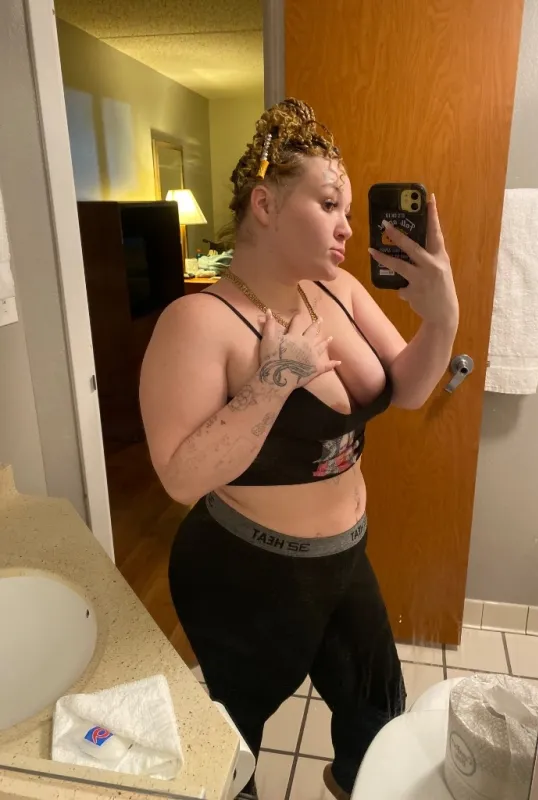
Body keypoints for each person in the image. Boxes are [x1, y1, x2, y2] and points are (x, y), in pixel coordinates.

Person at [140, 98, 458, 800]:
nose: (347, 226)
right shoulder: (197, 322)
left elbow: (407, 389)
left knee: (378, 717)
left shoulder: (338, 291)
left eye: (347, 208)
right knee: (233, 745)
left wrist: (442, 318)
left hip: (345, 557)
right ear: (265, 204)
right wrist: (272, 384)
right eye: (329, 204)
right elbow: (180, 478)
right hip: (245, 574)